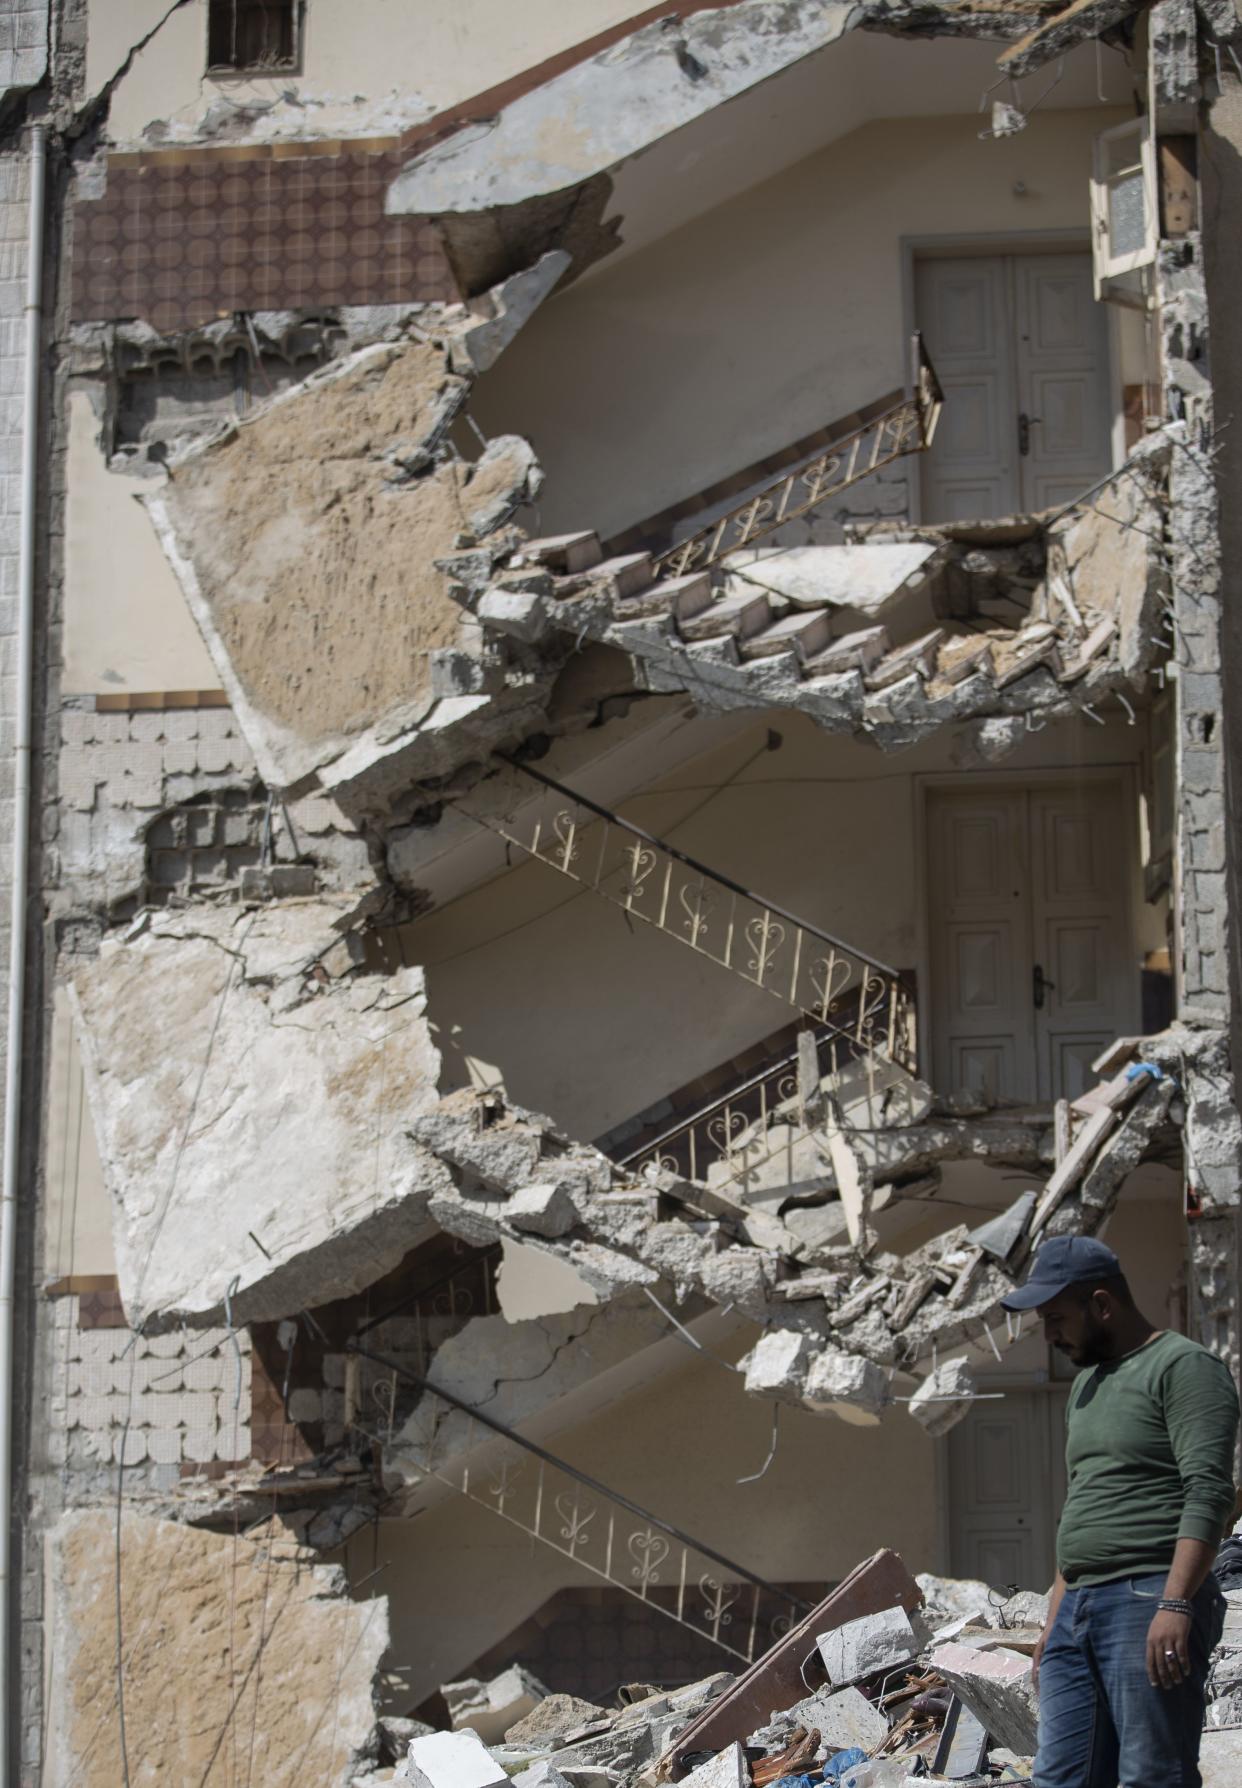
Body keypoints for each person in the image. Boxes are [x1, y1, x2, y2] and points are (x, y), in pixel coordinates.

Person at [1000, 1234, 1239, 1788]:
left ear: (1102, 1305)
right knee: (1061, 1777)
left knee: (1151, 1776)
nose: (1050, 1334)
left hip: (1148, 1597)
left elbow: (1208, 1491)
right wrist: (1055, 1616)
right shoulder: (1086, 1385)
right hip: (1077, 1608)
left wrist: (1176, 1601)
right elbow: (1084, 1506)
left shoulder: (1184, 1367)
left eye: (1057, 1318)